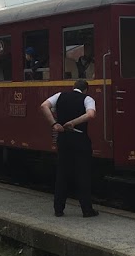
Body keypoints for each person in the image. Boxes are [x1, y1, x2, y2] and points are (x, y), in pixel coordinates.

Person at [39, 79, 99, 217]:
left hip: (64, 139)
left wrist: (54, 124)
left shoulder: (60, 95)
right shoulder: (87, 98)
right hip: (80, 139)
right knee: (83, 174)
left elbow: (44, 106)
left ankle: (58, 209)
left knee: (62, 174)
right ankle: (87, 210)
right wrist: (73, 122)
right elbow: (91, 114)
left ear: (73, 87)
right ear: (85, 89)